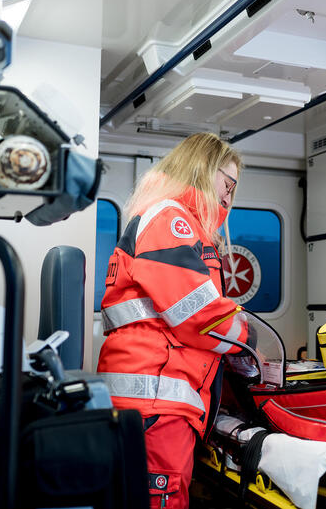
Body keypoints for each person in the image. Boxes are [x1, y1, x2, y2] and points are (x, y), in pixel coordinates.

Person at [97, 132, 248, 509]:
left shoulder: (169, 219)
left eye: (234, 189)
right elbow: (198, 317)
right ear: (201, 169)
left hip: (149, 401)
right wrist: (247, 336)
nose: (229, 196)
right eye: (226, 183)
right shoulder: (171, 220)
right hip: (156, 402)